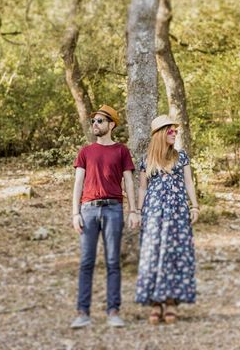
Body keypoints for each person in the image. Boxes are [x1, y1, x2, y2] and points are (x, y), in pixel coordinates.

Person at [70, 105, 140, 329]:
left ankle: (113, 311)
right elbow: (78, 184)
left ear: (111, 125)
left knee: (112, 262)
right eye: (94, 121)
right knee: (86, 262)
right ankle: (83, 313)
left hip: (113, 210)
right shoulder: (85, 152)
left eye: (100, 121)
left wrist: (133, 210)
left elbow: (129, 182)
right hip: (88, 210)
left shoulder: (121, 151)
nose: (95, 125)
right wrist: (75, 213)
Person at [135, 115, 199, 324]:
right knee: (153, 255)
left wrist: (195, 206)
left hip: (178, 213)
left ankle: (171, 302)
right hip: (153, 214)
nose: (174, 133)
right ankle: (155, 303)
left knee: (175, 254)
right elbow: (143, 188)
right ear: (161, 134)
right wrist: (138, 211)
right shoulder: (147, 160)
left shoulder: (182, 157)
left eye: (175, 130)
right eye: (170, 130)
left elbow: (189, 183)